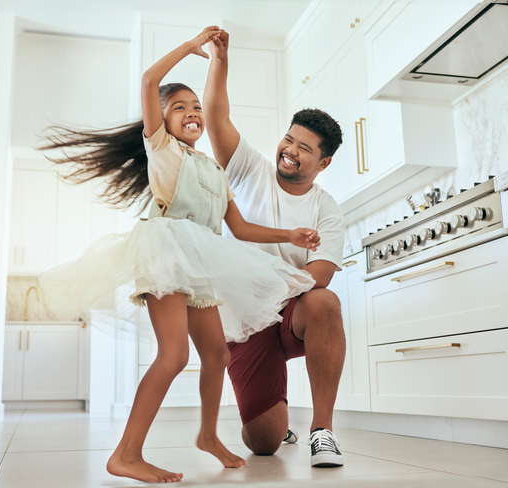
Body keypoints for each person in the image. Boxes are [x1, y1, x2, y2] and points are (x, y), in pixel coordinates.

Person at [39, 27, 324, 483]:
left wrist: (290, 233)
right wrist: (191, 48)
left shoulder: (214, 167)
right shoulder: (163, 150)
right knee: (171, 356)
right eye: (180, 108)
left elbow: (239, 228)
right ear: (163, 121)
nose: (192, 113)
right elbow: (151, 81)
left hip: (203, 265)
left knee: (217, 357)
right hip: (167, 255)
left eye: (196, 107)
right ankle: (126, 454)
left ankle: (208, 435)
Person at [203, 30, 347, 468]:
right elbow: (215, 115)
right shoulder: (249, 168)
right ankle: (276, 419)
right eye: (289, 140)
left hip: (291, 314)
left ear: (322, 163)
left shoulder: (326, 209)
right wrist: (219, 60)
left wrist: (268, 283)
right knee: (262, 443)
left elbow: (318, 277)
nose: (290, 151)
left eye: (304, 149)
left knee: (324, 301)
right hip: (244, 318)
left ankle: (322, 430)